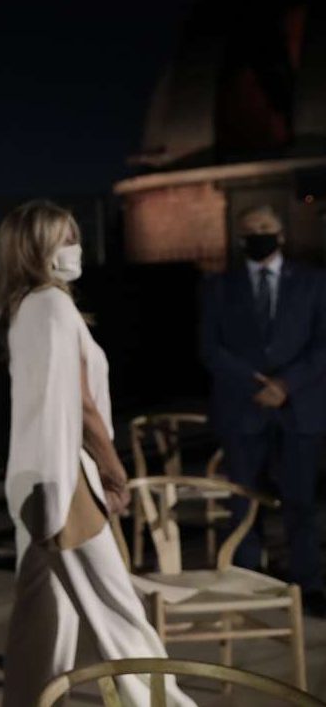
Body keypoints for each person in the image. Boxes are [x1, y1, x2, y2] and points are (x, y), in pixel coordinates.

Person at [0, 201, 194, 706]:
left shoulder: (26, 308)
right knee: (117, 613)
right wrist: (113, 468)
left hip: (35, 480)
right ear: (37, 248)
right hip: (65, 482)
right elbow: (81, 405)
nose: (74, 248)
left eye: (74, 237)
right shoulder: (52, 306)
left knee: (43, 618)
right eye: (63, 239)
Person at [201, 205, 326, 616]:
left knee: (301, 501)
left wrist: (285, 385)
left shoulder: (312, 282)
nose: (259, 234)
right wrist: (255, 383)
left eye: (266, 228)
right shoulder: (220, 286)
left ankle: (307, 583)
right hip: (243, 407)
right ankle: (248, 579)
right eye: (251, 230)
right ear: (240, 238)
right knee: (243, 500)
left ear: (281, 234)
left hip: (299, 408)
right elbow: (210, 347)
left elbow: (322, 344)